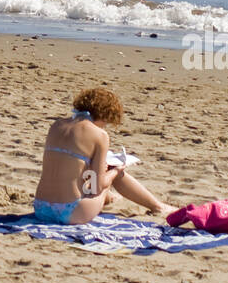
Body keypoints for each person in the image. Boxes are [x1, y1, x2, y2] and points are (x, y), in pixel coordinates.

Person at [33, 86, 175, 225]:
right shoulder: (99, 134)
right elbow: (98, 185)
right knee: (113, 174)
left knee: (90, 173)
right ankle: (158, 207)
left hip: (41, 208)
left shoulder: (57, 125)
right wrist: (115, 171)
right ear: (105, 115)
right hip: (71, 212)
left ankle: (110, 198)